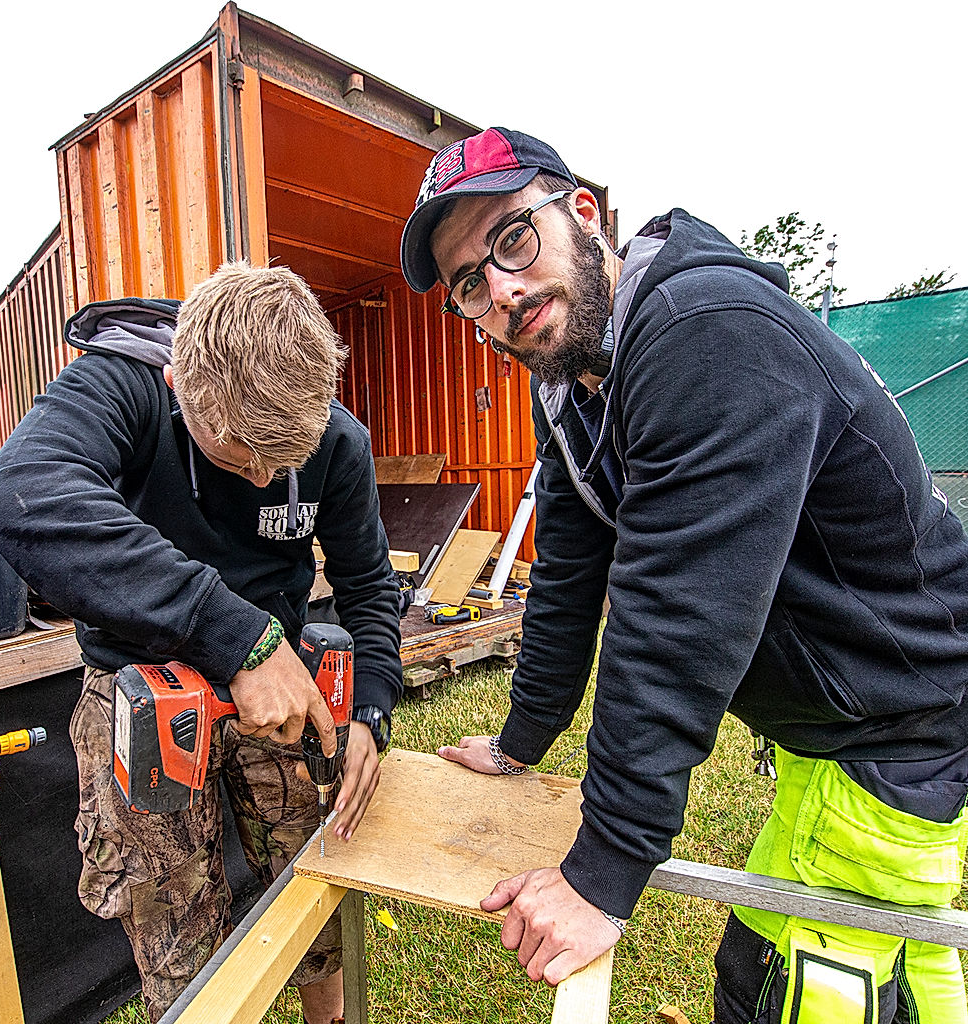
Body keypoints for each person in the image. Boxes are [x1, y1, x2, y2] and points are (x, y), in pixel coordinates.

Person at [399, 127, 968, 1023]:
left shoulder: (703, 332)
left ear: (582, 214)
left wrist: (603, 871)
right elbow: (570, 574)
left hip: (901, 730)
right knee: (906, 949)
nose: (501, 291)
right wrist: (523, 737)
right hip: (843, 730)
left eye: (511, 238)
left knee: (784, 993)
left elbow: (675, 618)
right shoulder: (574, 386)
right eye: (470, 284)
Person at [0, 262, 403, 1024]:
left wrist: (370, 708)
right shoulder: (123, 383)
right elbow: (20, 495)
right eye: (244, 456)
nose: (269, 475)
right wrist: (239, 638)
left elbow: (370, 585)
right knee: (172, 915)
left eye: (285, 463)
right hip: (144, 688)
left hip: (278, 693)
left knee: (309, 873)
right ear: (181, 386)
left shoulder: (335, 440)